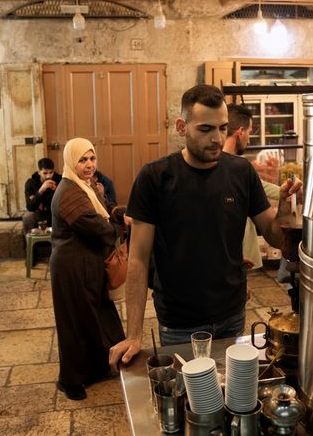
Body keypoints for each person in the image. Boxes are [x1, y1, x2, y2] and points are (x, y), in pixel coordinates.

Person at [109, 84, 302, 367]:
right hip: (179, 319)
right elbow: (137, 259)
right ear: (181, 126)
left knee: (230, 391)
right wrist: (134, 335)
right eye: (205, 129)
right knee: (190, 395)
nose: (216, 138)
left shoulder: (240, 172)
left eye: (223, 128)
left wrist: (283, 209)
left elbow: (274, 238)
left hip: (231, 312)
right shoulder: (156, 177)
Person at [49, 138, 126, 400]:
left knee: (96, 317)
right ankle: (69, 380)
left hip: (86, 265)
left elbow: (102, 214)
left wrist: (116, 214)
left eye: (92, 158)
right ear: (72, 162)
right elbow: (98, 228)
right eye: (83, 160)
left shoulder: (84, 187)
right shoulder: (69, 192)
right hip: (72, 268)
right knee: (74, 323)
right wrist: (119, 226)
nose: (89, 165)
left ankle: (98, 367)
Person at [223, 103, 281, 270]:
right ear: (240, 132)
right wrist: (291, 192)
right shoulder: (237, 167)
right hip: (237, 251)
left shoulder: (220, 163)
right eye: (249, 132)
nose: (248, 139)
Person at [22, 157, 62, 237]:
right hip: (39, 213)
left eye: (51, 172)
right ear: (39, 172)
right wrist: (41, 190)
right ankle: (30, 246)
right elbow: (30, 207)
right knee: (27, 217)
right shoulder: (31, 183)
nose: (48, 176)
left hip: (55, 212)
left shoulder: (59, 180)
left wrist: (58, 191)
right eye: (45, 173)